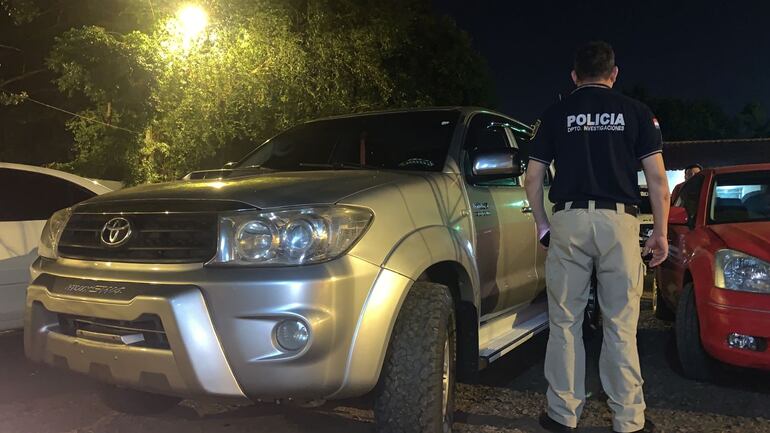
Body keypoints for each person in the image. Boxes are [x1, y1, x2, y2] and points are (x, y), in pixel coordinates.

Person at [524, 41, 670, 433]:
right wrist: (660, 232)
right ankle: (628, 419)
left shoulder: (555, 113)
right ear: (614, 73)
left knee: (565, 320)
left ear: (574, 76)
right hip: (619, 223)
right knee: (621, 322)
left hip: (569, 221)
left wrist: (542, 224)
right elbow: (657, 180)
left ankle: (563, 413)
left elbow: (533, 177)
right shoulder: (637, 113)